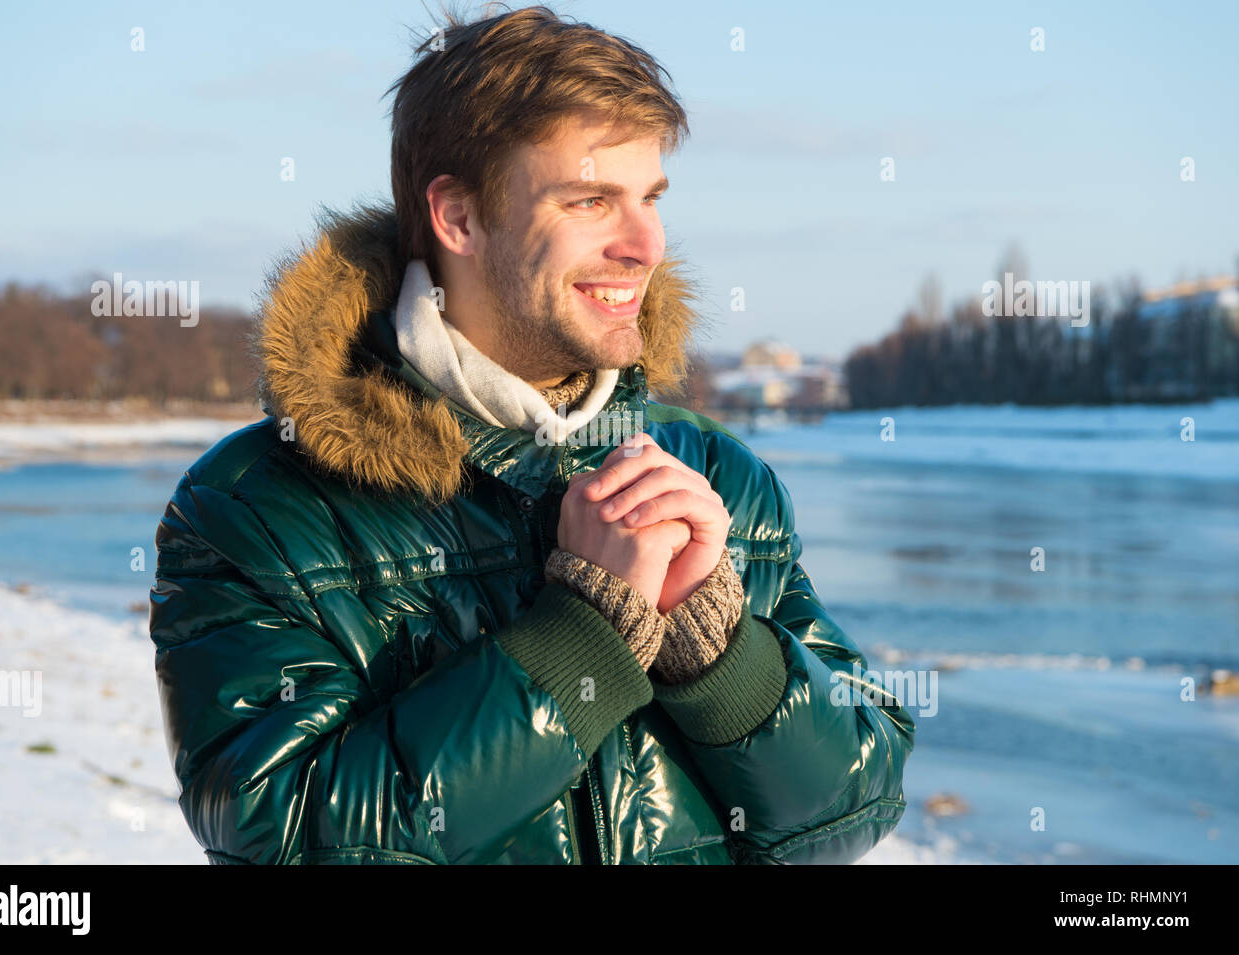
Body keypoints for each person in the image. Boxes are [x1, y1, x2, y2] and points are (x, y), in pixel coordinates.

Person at [149, 4, 914, 865]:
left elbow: (857, 803)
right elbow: (283, 841)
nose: (645, 244)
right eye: (592, 200)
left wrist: (719, 650)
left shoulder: (718, 476)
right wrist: (580, 639)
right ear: (460, 219)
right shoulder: (257, 507)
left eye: (650, 198)